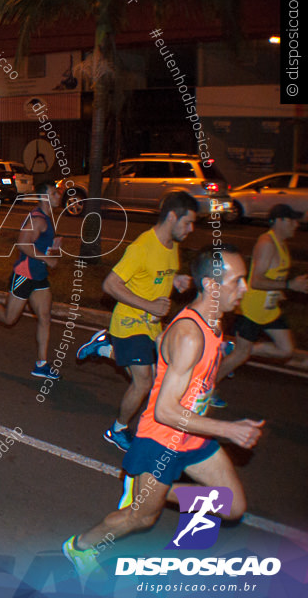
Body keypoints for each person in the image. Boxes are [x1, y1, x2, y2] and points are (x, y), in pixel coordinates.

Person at [63, 245, 263, 576]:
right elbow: (166, 411)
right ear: (212, 287)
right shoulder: (190, 335)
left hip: (193, 434)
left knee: (232, 506)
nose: (244, 289)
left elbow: (171, 359)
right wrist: (229, 430)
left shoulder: (214, 322)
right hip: (163, 440)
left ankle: (158, 490)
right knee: (141, 517)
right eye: (238, 281)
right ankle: (79, 547)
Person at [76, 191, 197, 451]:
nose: (191, 228)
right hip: (130, 323)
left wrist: (176, 281)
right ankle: (118, 430)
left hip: (151, 326)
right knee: (144, 381)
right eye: (187, 222)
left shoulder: (173, 245)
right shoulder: (141, 248)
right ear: (172, 217)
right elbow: (110, 284)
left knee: (152, 380)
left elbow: (156, 278)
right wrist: (150, 305)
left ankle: (105, 347)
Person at [0, 182, 64, 378]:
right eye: (54, 193)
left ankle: (41, 364)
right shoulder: (37, 219)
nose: (58, 196)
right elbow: (23, 245)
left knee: (45, 317)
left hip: (39, 276)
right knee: (9, 319)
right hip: (25, 275)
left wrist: (53, 249)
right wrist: (47, 257)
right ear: (44, 197)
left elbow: (40, 244)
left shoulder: (48, 217)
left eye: (58, 192)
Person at [216, 204, 307, 387]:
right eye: (292, 220)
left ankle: (233, 348)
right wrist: (289, 285)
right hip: (252, 310)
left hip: (269, 309)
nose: (296, 225)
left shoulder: (281, 243)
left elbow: (273, 274)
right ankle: (205, 390)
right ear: (279, 220)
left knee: (285, 350)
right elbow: (256, 281)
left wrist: (279, 291)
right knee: (240, 356)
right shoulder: (266, 243)